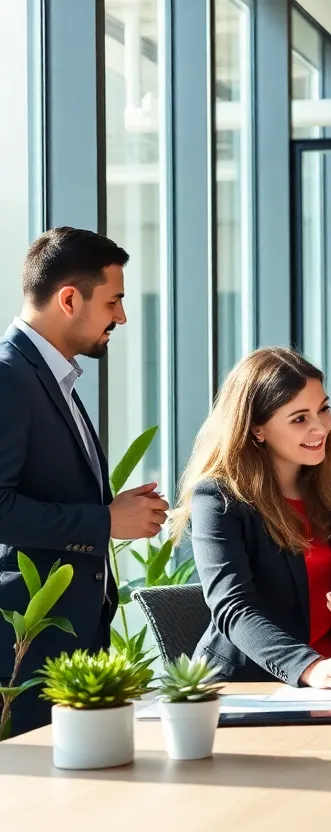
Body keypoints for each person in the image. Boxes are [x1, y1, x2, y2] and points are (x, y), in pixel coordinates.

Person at [0, 228, 168, 736]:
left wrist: (111, 508)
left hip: (70, 639)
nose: (121, 316)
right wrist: (104, 521)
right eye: (113, 301)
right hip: (24, 646)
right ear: (69, 299)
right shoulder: (9, 376)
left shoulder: (52, 377)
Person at [173, 348, 331, 690]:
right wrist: (309, 666)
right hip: (245, 686)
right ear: (258, 429)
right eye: (299, 418)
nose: (321, 427)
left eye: (324, 409)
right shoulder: (218, 497)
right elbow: (232, 608)